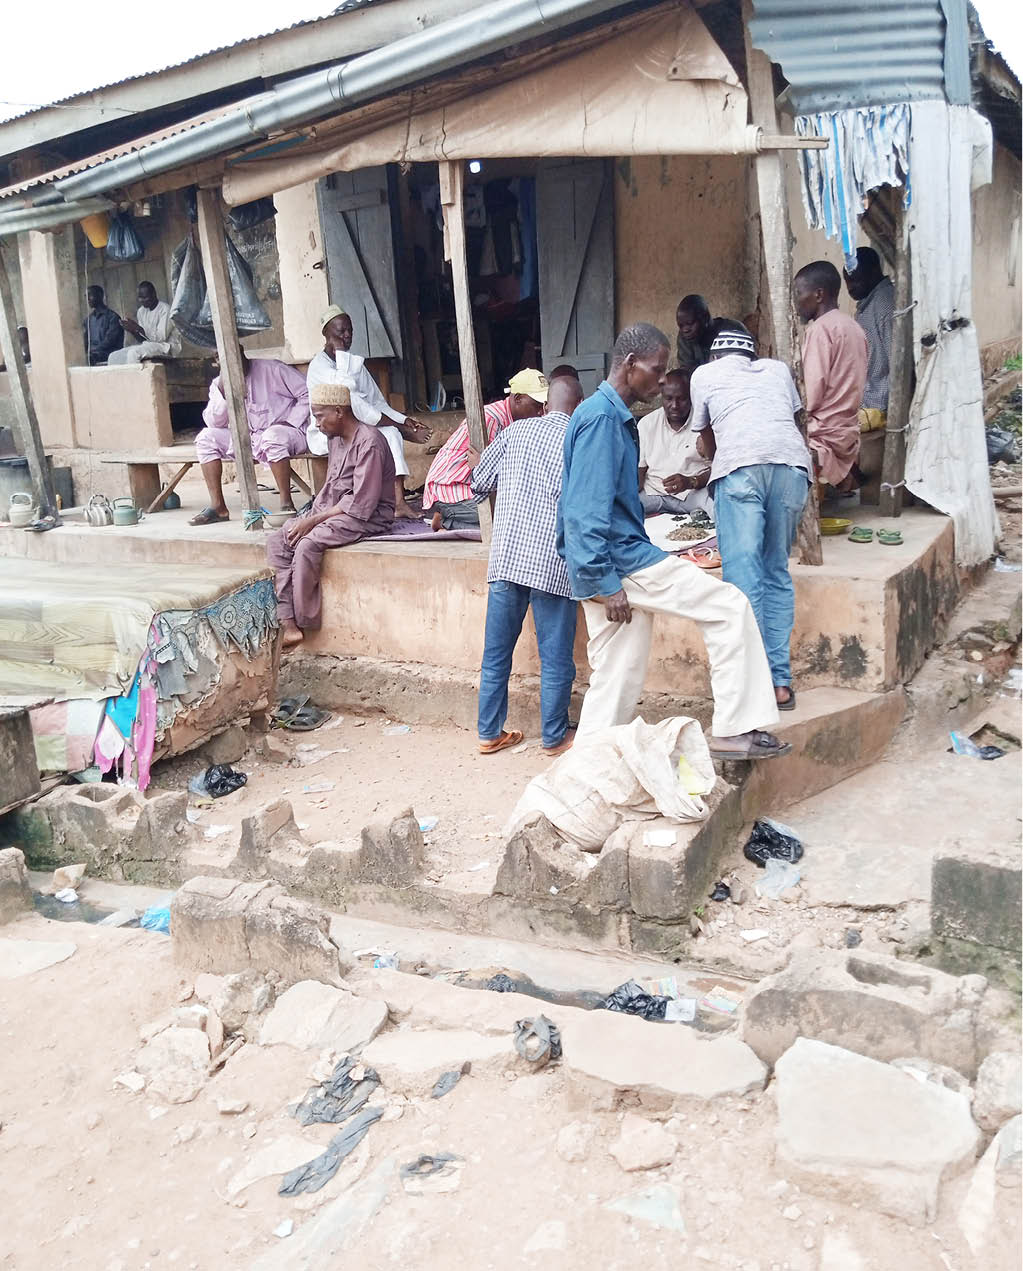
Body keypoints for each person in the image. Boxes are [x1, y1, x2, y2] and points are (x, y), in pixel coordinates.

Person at [557, 322, 789, 761]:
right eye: (657, 370)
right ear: (630, 364)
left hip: (610, 561)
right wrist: (606, 583)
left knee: (616, 672)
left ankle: (589, 765)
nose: (662, 380)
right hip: (620, 562)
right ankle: (735, 729)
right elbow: (583, 511)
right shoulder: (602, 419)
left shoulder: (609, 417)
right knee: (729, 607)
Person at [689, 323, 811, 712]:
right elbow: (791, 422)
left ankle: (755, 685)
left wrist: (713, 454)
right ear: (750, 356)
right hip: (792, 468)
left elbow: (707, 440)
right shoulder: (777, 371)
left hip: (740, 470)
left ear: (714, 357)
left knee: (744, 581)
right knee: (775, 570)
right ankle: (779, 683)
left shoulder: (704, 375)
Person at [470, 374, 585, 757]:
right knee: (556, 658)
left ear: (547, 403)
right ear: (578, 406)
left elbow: (479, 482)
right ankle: (554, 738)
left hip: (507, 559)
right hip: (553, 563)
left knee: (496, 654)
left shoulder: (515, 432)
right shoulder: (579, 439)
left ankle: (489, 732)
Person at [266, 382, 395, 649]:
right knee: (279, 540)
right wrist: (311, 516)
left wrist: (313, 521)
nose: (316, 423)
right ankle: (287, 622)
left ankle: (305, 620)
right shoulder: (335, 439)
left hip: (367, 515)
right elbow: (331, 488)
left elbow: (361, 502)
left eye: (319, 415)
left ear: (339, 411)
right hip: (333, 511)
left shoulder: (370, 442)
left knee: (307, 544)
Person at [306, 306, 432, 520]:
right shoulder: (319, 366)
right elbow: (350, 399)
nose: (346, 336)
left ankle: (398, 502)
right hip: (329, 432)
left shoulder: (355, 364)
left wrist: (404, 420)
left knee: (389, 434)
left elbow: (376, 401)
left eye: (350, 331)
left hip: (360, 427)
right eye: (340, 332)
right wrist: (400, 428)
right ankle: (376, 503)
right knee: (389, 433)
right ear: (326, 335)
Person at [190, 347, 311, 525]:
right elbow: (214, 423)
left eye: (235, 357)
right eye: (224, 360)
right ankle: (218, 508)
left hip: (288, 432)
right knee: (206, 438)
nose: (232, 363)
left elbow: (307, 392)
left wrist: (291, 421)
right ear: (218, 363)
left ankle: (286, 503)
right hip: (249, 438)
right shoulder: (219, 384)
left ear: (242, 354)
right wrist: (223, 390)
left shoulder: (273, 369)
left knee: (272, 436)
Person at [423, 369, 549, 530]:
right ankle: (445, 521)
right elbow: (484, 474)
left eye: (544, 405)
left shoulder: (518, 421)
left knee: (521, 516)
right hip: (452, 487)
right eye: (537, 405)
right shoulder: (491, 419)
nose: (541, 412)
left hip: (477, 486)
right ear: (517, 398)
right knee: (509, 520)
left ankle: (449, 519)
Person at [793, 261, 868, 491]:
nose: (795, 301)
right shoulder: (853, 326)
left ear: (818, 294)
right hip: (847, 427)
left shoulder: (820, 330)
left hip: (823, 430)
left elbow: (810, 397)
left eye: (798, 293)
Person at [638, 368, 712, 517]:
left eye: (682, 399)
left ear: (692, 397)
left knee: (719, 507)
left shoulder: (706, 424)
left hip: (694, 493)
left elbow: (718, 470)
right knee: (620, 512)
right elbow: (639, 471)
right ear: (661, 397)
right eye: (668, 398)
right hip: (654, 493)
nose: (675, 405)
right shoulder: (647, 424)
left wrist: (691, 481)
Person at [844, 246, 895, 433]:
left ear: (874, 271)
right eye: (847, 281)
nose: (850, 287)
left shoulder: (884, 304)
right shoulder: (868, 304)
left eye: (855, 279)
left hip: (880, 406)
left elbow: (897, 361)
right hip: (868, 403)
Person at [107, 281, 181, 364]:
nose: (141, 300)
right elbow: (143, 339)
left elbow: (160, 338)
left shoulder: (165, 309)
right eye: (139, 297)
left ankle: (136, 377)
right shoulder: (141, 311)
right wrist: (132, 330)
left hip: (166, 347)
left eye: (145, 297)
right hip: (148, 345)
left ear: (153, 294)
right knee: (114, 356)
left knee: (134, 353)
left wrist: (138, 328)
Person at [675, 294, 716, 377]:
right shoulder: (684, 338)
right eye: (681, 326)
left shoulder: (731, 329)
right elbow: (687, 373)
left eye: (690, 324)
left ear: (705, 318)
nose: (685, 330)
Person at [83, 286, 124, 365]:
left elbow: (109, 341)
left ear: (100, 295)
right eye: (86, 296)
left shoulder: (113, 317)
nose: (87, 299)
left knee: (88, 359)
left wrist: (92, 351)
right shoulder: (88, 320)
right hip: (93, 354)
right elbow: (85, 341)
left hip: (109, 355)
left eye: (90, 295)